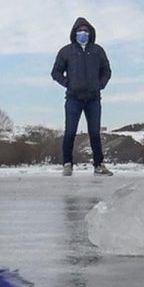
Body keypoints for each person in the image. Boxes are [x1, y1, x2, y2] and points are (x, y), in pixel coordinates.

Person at [51, 17, 112, 177]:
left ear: (90, 32)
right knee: (70, 131)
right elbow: (55, 72)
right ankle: (67, 164)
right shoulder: (66, 51)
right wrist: (67, 82)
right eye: (79, 31)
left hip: (93, 98)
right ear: (74, 33)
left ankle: (99, 165)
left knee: (94, 133)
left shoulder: (98, 50)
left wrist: (100, 84)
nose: (83, 33)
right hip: (73, 97)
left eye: (85, 30)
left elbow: (107, 70)